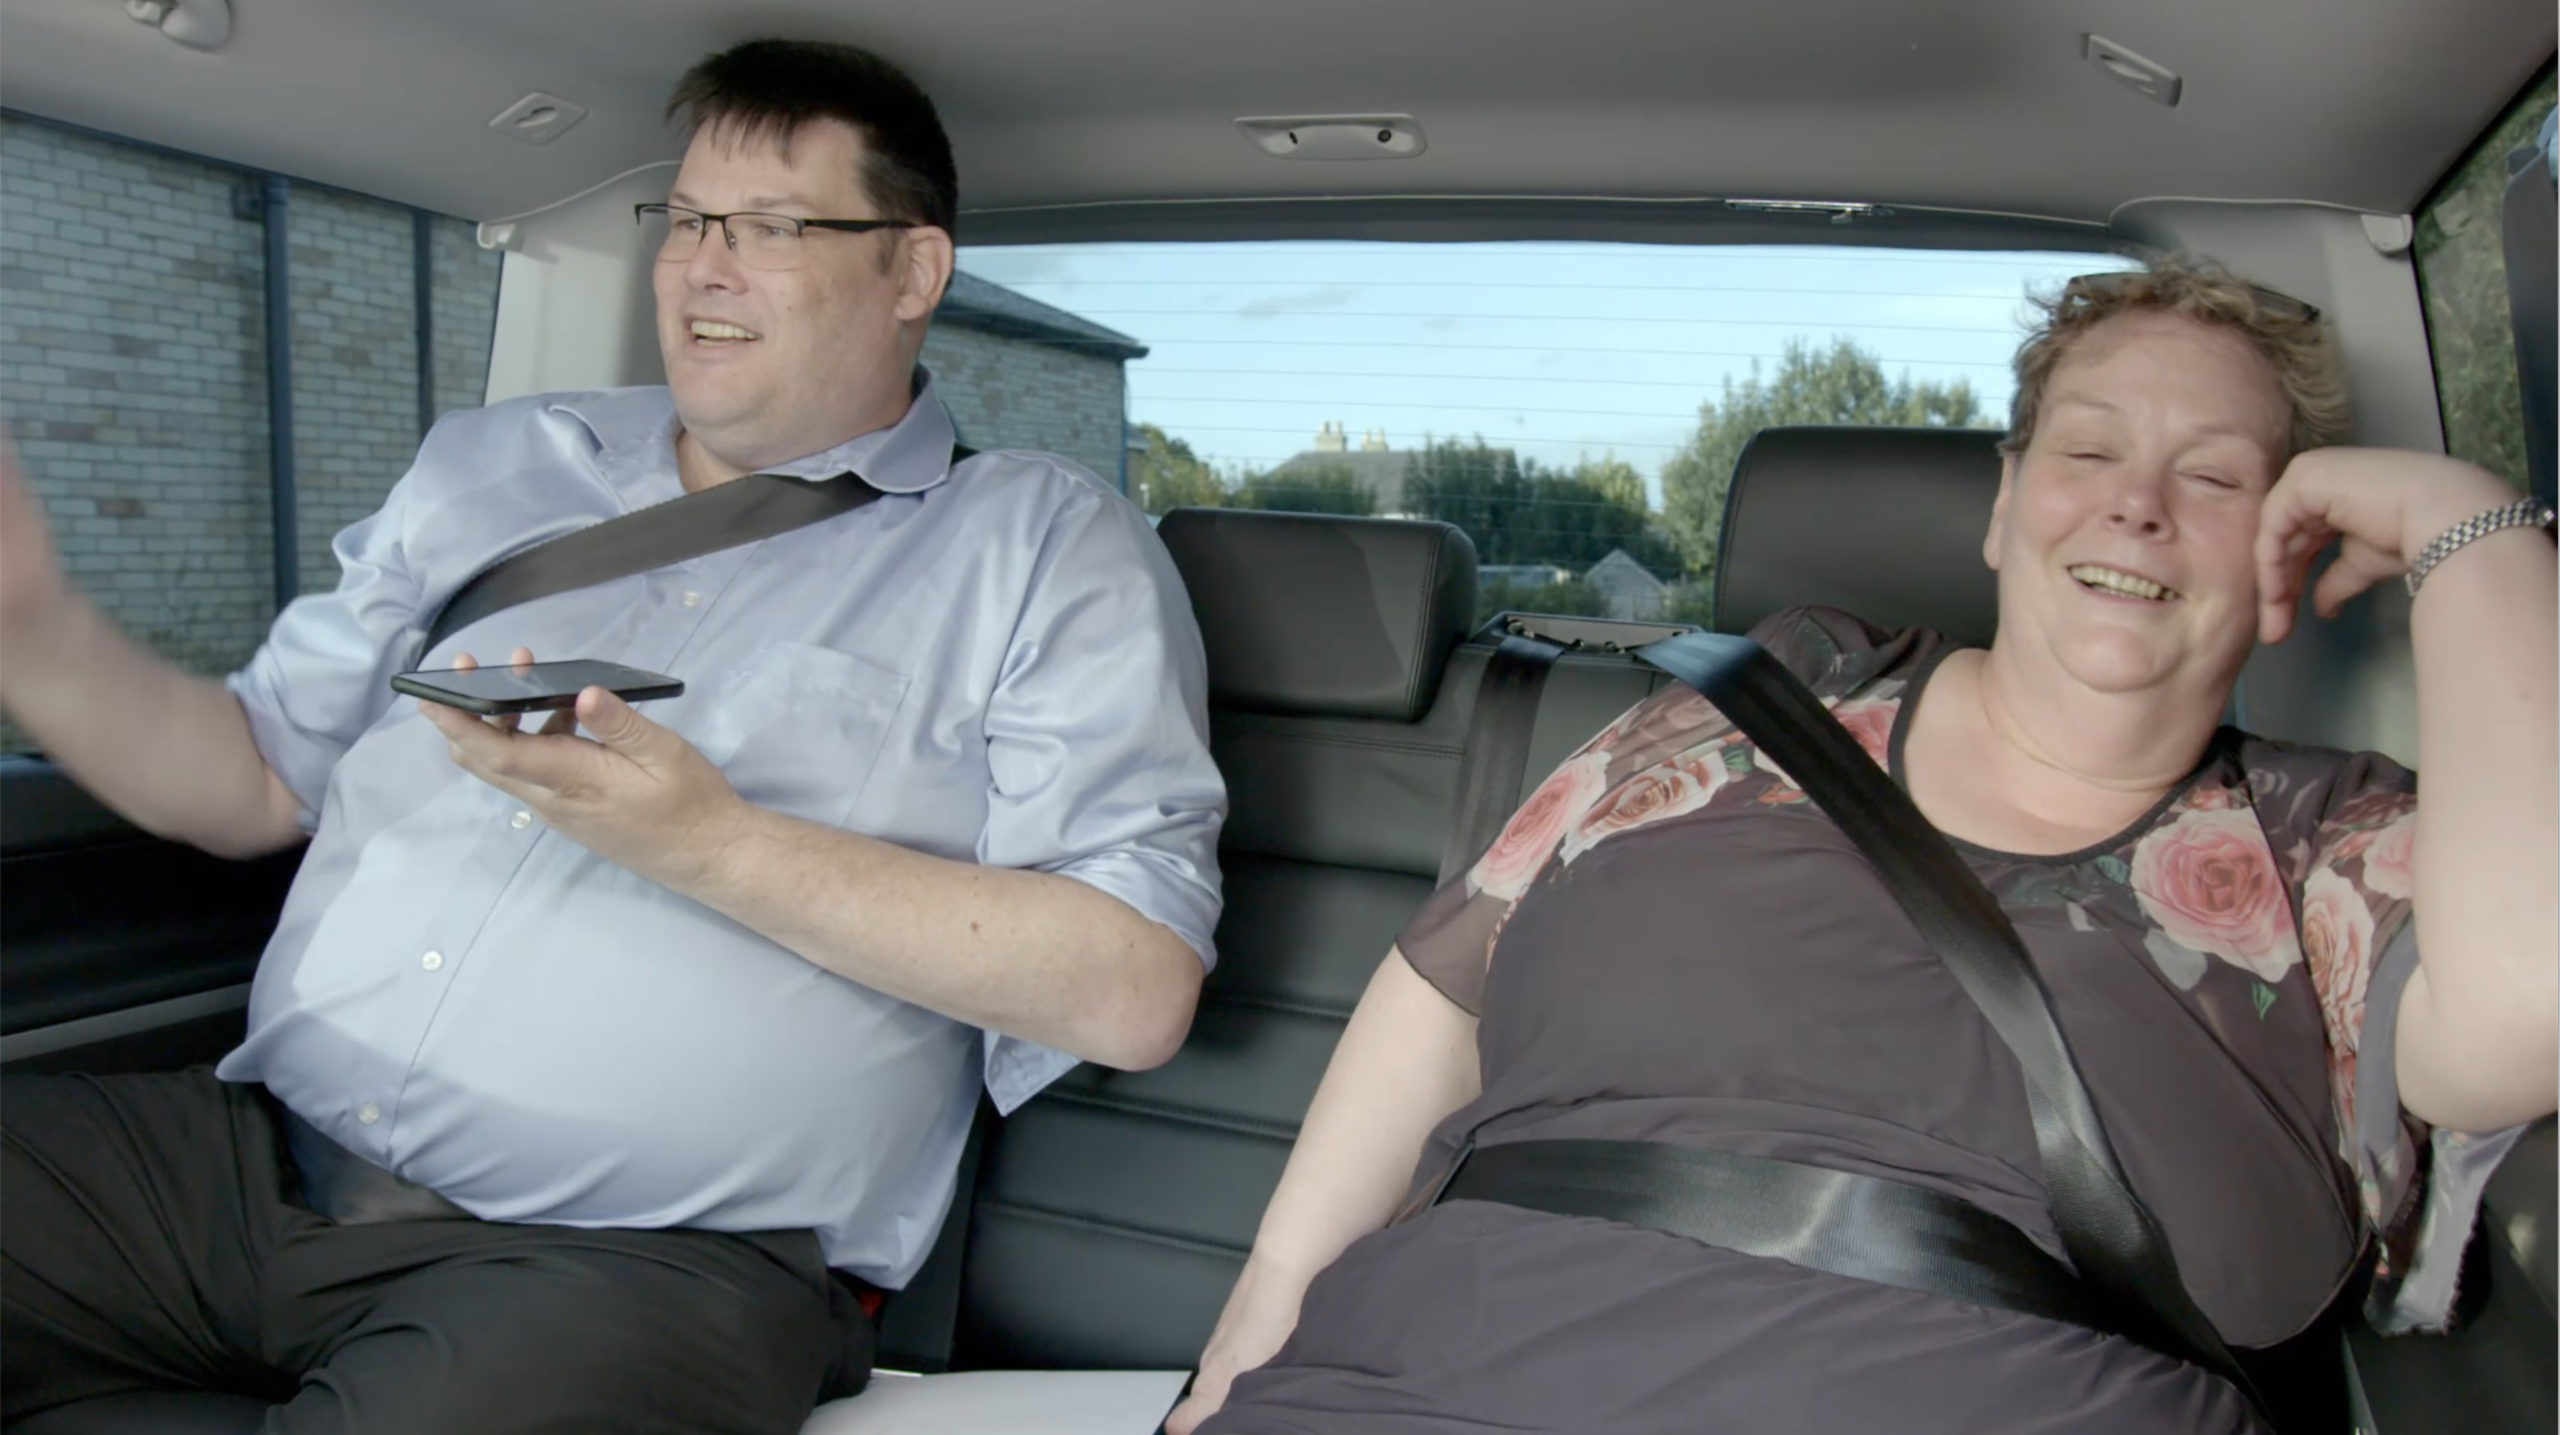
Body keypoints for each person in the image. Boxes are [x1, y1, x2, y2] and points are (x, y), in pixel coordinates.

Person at [0, 37, 1224, 1435]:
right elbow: (255, 773)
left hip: (637, 1264)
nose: (704, 267)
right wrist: (32, 629)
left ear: (913, 274)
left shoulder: (1044, 546)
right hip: (243, 1168)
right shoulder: (492, 466)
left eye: (769, 228)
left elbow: (1132, 988)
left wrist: (711, 844)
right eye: (690, 219)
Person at [1168, 257, 2556, 1435]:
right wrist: (1250, 1334)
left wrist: (2466, 523)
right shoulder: (1765, 697)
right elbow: (1451, 972)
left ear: (2291, 546)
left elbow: (2530, 1006)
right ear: (2006, 503)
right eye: (2087, 450)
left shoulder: (2328, 843)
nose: (2137, 504)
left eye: (2212, 476)